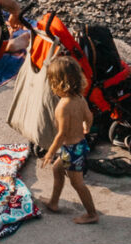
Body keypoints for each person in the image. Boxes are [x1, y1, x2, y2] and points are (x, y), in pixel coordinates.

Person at [41, 56, 99, 224]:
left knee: (77, 183)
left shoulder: (63, 106)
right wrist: (86, 126)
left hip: (72, 149)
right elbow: (89, 116)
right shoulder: (80, 99)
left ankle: (91, 213)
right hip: (78, 146)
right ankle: (53, 202)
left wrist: (50, 153)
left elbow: (61, 134)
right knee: (57, 169)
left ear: (58, 83)